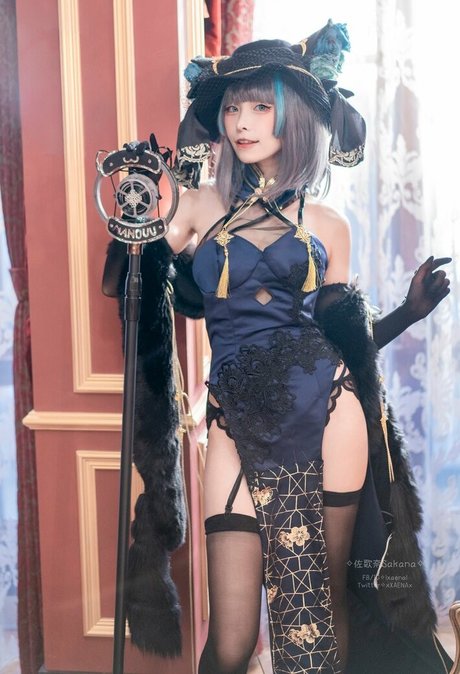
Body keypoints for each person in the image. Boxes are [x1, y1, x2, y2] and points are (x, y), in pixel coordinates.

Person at [103, 21, 452, 674]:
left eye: (261, 106)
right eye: (233, 108)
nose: (241, 121)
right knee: (231, 640)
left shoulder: (328, 225)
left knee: (318, 614)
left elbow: (348, 341)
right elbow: (129, 283)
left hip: (329, 412)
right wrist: (137, 211)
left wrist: (409, 311)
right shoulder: (197, 206)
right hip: (234, 420)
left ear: (295, 119)